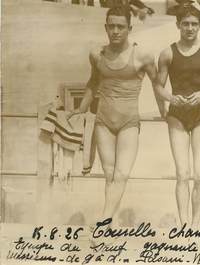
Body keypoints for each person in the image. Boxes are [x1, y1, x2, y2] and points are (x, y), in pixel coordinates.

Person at [68, 6, 163, 226]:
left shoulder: (142, 56)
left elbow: (157, 84)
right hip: (103, 120)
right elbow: (93, 82)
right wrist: (81, 109)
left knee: (122, 174)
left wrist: (164, 112)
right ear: (106, 28)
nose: (116, 31)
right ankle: (107, 226)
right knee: (110, 175)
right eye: (111, 26)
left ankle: (103, 221)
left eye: (121, 27)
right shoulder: (96, 54)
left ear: (129, 28)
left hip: (129, 121)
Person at [155, 2, 200, 228]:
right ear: (178, 25)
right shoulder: (167, 53)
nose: (190, 28)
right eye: (185, 24)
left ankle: (195, 224)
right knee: (182, 174)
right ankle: (184, 225)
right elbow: (158, 86)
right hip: (177, 116)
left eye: (194, 24)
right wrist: (169, 98)